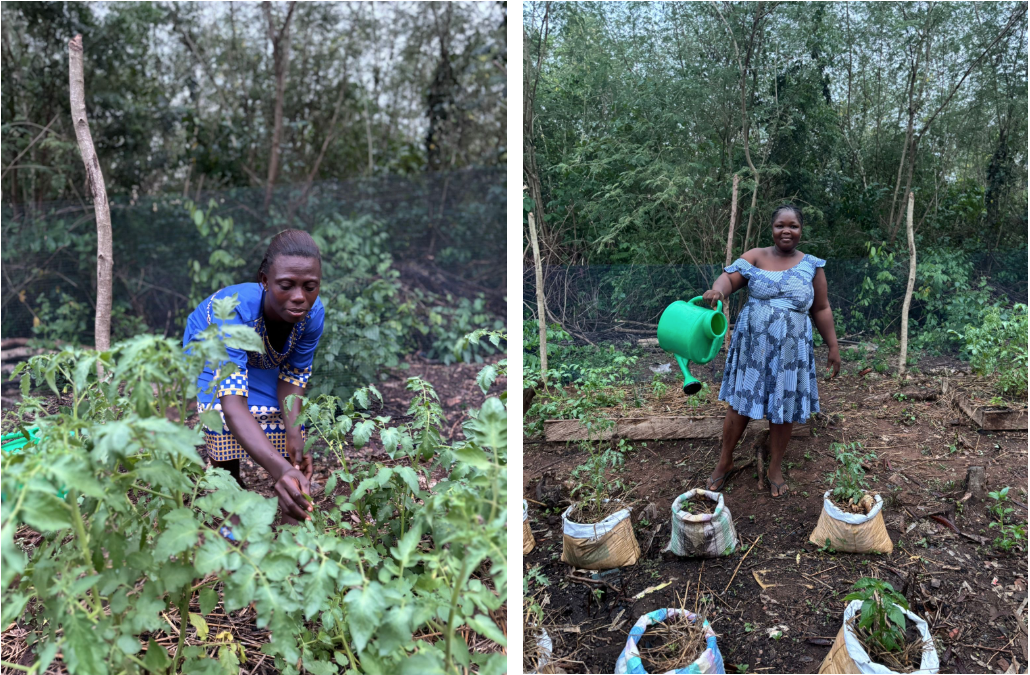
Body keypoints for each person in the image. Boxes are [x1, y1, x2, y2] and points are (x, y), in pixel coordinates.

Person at [183, 229, 324, 524]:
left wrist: (295, 438)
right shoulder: (232, 311)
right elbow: (233, 404)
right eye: (286, 285)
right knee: (221, 412)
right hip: (213, 342)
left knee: (284, 421)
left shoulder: (312, 315)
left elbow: (293, 376)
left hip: (266, 356)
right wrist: (279, 469)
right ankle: (229, 493)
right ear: (264, 281)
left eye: (310, 286)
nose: (300, 297)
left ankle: (293, 510)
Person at [702, 205, 840, 498]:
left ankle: (775, 467)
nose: (786, 231)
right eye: (780, 225)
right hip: (755, 347)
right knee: (740, 404)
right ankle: (724, 461)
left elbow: (822, 308)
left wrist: (833, 346)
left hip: (791, 352)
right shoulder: (756, 256)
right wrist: (718, 291)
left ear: (801, 230)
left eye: (793, 226)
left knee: (783, 409)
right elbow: (729, 278)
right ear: (772, 228)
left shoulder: (812, 266)